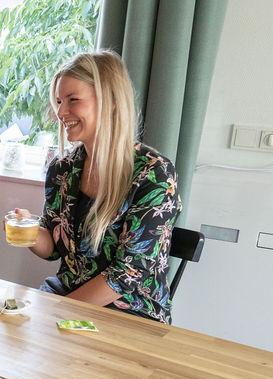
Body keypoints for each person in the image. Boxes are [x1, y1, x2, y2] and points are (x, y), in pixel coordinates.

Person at [10, 51, 182, 323]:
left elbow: (126, 276)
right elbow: (53, 248)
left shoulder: (154, 174)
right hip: (67, 296)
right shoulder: (63, 169)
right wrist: (28, 231)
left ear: (111, 102)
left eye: (73, 100)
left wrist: (55, 314)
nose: (61, 112)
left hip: (129, 313)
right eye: (58, 102)